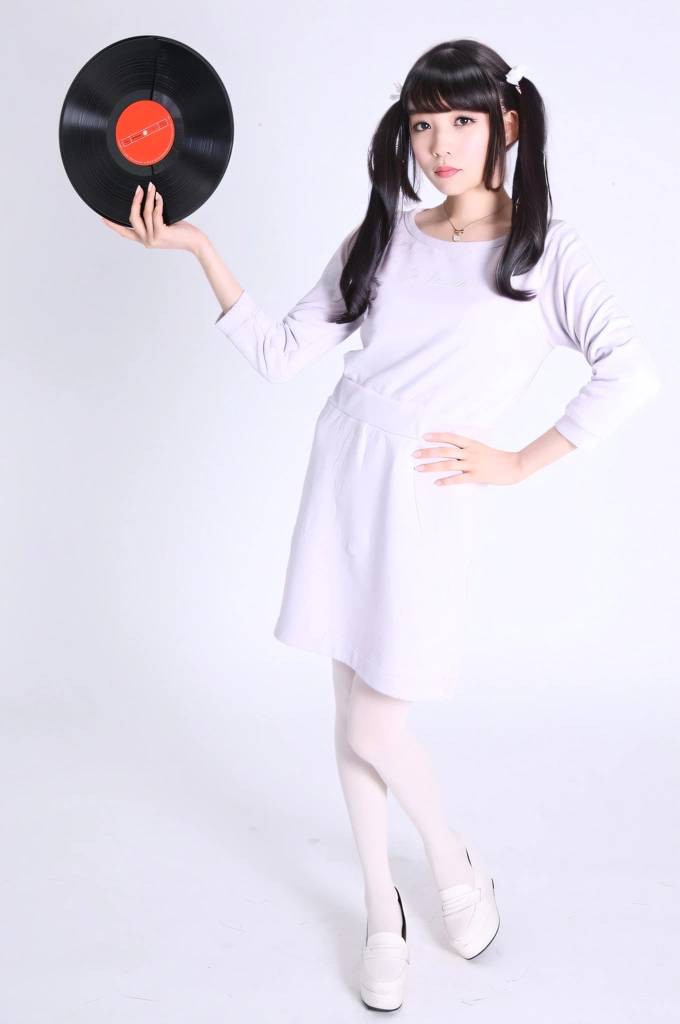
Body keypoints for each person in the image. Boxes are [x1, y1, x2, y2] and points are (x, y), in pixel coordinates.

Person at [102, 38, 662, 1012]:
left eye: (459, 120)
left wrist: (521, 460)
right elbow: (281, 354)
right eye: (420, 122)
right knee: (347, 708)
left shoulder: (543, 251)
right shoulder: (386, 235)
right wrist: (196, 247)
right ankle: (380, 910)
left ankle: (446, 853)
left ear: (506, 126)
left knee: (377, 715)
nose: (438, 143)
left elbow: (629, 370)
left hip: (428, 495)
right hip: (344, 470)